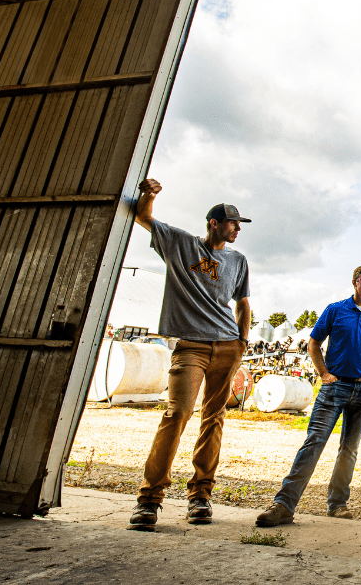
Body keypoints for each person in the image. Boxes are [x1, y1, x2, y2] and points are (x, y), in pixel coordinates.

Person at [127, 178, 252, 531]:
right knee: (177, 413)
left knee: (214, 419)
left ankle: (200, 496)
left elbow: (243, 303)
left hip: (228, 347)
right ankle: (149, 499)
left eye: (240, 224)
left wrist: (242, 341)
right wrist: (149, 196)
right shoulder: (181, 244)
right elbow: (143, 219)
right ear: (213, 222)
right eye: (232, 222)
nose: (237, 229)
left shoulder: (239, 261)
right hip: (191, 347)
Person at [256, 265, 361, 527]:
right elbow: (314, 343)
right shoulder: (336, 310)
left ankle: (337, 505)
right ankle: (284, 505)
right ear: (354, 282)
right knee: (314, 443)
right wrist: (323, 373)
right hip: (335, 387)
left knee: (349, 449)